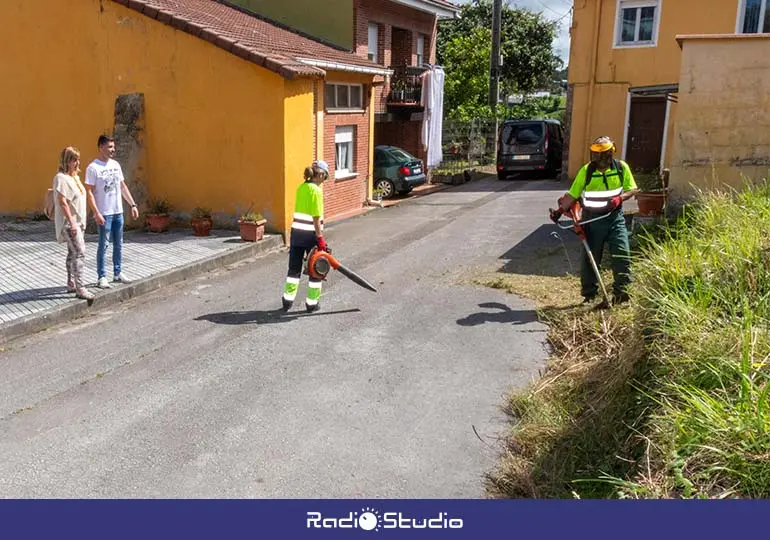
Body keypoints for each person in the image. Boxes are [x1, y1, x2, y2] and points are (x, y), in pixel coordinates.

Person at [550, 136, 638, 304]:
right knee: (590, 259)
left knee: (622, 255)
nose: (599, 159)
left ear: (611, 153)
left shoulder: (621, 168)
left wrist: (620, 198)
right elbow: (572, 195)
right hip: (591, 220)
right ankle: (589, 295)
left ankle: (622, 294)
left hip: (614, 218)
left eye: (602, 155)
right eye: (596, 155)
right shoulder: (587, 171)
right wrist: (559, 211)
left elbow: (632, 189)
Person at [85, 135, 140, 289]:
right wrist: (96, 212)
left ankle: (117, 272)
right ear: (101, 147)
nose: (113, 150)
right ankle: (101, 276)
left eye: (113, 147)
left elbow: (122, 186)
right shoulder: (93, 168)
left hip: (118, 211)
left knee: (119, 244)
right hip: (104, 212)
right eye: (109, 147)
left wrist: (132, 204)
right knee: (103, 244)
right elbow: (89, 192)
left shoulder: (115, 165)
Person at [282, 160, 330, 313]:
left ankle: (287, 301)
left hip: (296, 234)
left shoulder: (301, 188)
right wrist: (320, 238)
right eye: (325, 176)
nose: (324, 180)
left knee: (294, 269)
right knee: (316, 268)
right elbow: (316, 217)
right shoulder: (316, 191)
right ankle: (312, 303)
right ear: (320, 175)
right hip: (311, 236)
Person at [53, 147, 94, 301]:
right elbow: (63, 202)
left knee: (72, 252)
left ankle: (71, 282)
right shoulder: (61, 178)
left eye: (77, 159)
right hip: (70, 224)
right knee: (80, 252)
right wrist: (72, 222)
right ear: (66, 161)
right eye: (73, 159)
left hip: (79, 222)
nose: (76, 163)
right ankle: (80, 287)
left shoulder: (74, 177)